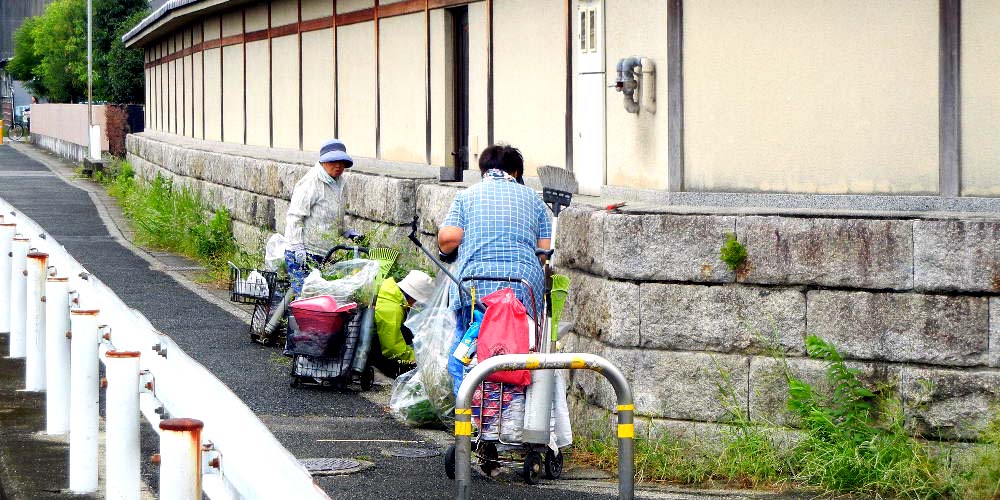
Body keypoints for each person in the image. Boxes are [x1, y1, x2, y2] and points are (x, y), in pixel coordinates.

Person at [437, 144, 552, 351]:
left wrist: (448, 251)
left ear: (483, 171)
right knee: (519, 349)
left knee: (468, 347)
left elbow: (448, 238)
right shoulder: (535, 199)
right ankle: (517, 380)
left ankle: (469, 382)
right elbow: (543, 253)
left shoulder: (466, 196)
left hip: (474, 286)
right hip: (522, 287)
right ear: (516, 172)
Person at [284, 138, 360, 294]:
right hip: (305, 252)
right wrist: (297, 247)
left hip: (325, 253)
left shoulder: (340, 184)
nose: (338, 166)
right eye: (333, 161)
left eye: (341, 162)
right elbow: (295, 217)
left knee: (322, 300)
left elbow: (334, 215)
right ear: (323, 162)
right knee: (307, 299)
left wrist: (346, 231)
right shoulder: (311, 182)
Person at [372, 270, 435, 376]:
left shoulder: (391, 291)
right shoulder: (392, 310)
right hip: (374, 346)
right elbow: (392, 349)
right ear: (413, 296)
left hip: (380, 337)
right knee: (405, 370)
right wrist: (417, 359)